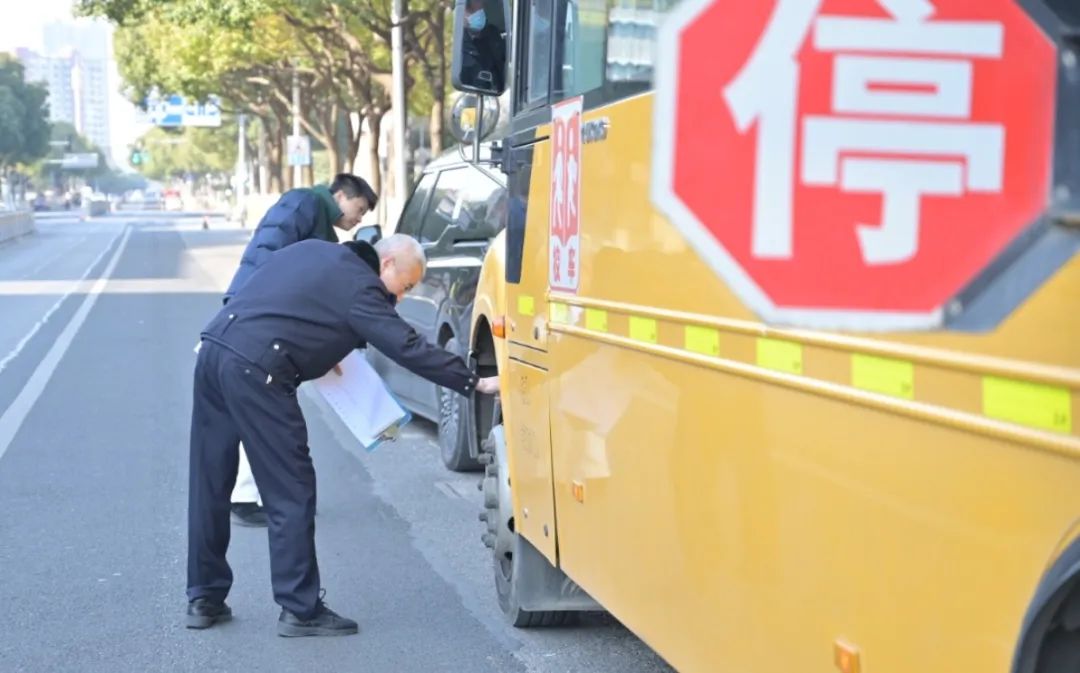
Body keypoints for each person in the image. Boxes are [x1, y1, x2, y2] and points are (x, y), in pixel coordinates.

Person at [186, 234, 500, 636]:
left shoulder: (315, 252)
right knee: (291, 490)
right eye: (404, 287)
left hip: (214, 351)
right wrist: (473, 381)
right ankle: (300, 609)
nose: (400, 299)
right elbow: (405, 345)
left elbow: (280, 302)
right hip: (257, 369)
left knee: (210, 481)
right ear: (386, 264)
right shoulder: (358, 284)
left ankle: (204, 598)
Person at [226, 173, 378, 528]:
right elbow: (267, 253)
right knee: (261, 412)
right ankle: (245, 496)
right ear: (340, 195)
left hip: (255, 320)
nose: (359, 218)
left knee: (254, 411)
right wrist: (252, 311)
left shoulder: (321, 227)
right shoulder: (303, 203)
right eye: (359, 208)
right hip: (252, 323)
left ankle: (250, 493)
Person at [461, 0, 507, 92]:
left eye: (481, 5)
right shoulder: (458, 44)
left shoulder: (494, 36)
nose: (480, 10)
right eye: (472, 10)